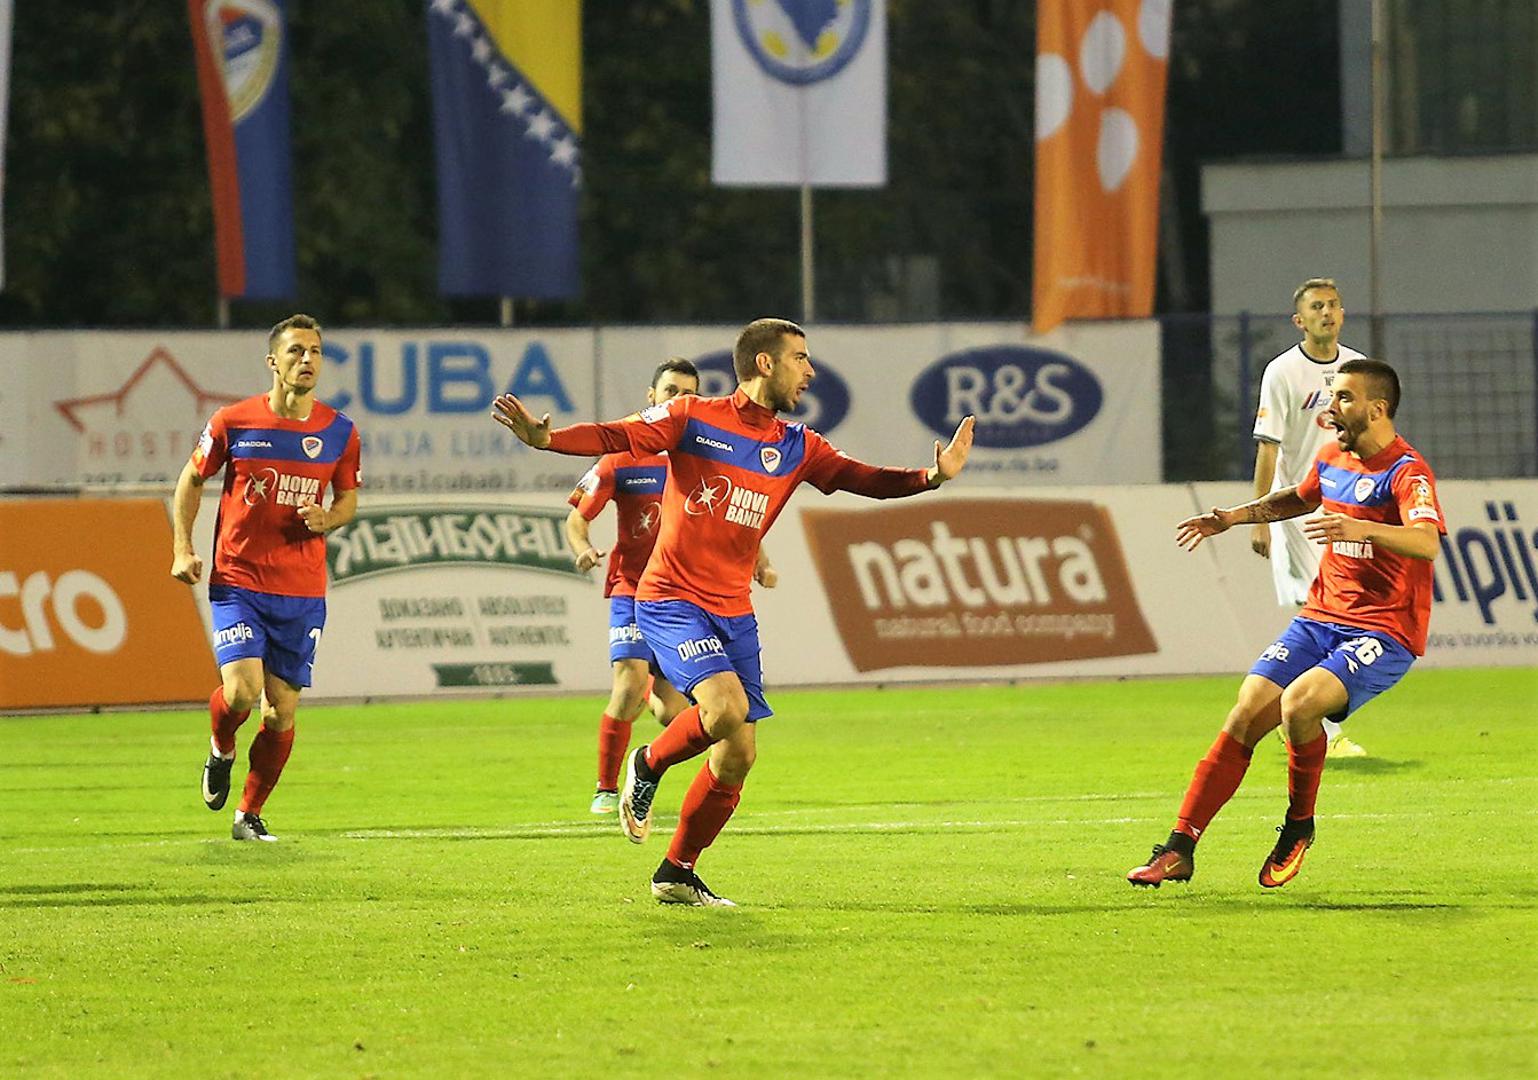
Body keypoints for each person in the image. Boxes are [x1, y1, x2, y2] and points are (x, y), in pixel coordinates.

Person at [494, 317, 975, 906]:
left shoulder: (799, 445)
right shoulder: (692, 417)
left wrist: (930, 477)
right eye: (800, 358)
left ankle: (676, 872)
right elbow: (616, 434)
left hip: (734, 611)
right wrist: (549, 441)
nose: (810, 370)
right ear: (765, 363)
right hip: (671, 598)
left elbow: (863, 479)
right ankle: (647, 764)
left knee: (738, 756)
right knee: (724, 710)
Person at [1129, 359, 1442, 889]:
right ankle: (1179, 848)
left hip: (1383, 630)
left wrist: (1362, 528)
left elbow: (1426, 542)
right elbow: (1297, 498)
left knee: (1299, 704)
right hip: (1320, 617)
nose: (1331, 408)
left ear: (1377, 409)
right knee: (1247, 711)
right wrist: (1233, 517)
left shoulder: (1406, 472)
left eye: (1343, 398)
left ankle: (1299, 826)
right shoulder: (1332, 458)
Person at [171, 314, 361, 842]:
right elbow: (191, 478)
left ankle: (248, 816)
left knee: (281, 712)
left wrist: (329, 517)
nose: (308, 360)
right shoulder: (234, 422)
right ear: (273, 361)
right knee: (242, 692)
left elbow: (347, 499)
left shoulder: (340, 431)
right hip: (239, 581)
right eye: (296, 351)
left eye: (315, 351)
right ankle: (221, 747)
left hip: (301, 590)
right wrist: (183, 546)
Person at [564, 357, 777, 815]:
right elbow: (577, 517)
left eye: (688, 394)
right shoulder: (622, 457)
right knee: (628, 682)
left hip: (689, 600)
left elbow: (734, 517)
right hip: (635, 590)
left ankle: (649, 734)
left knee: (674, 714)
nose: (679, 400)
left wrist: (759, 559)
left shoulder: (706, 456)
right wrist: (582, 547)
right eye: (671, 392)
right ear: (652, 398)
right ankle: (606, 789)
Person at [1250, 277, 1368, 757]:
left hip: (1348, 510)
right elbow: (1268, 449)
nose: (1327, 312)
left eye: (1333, 305)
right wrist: (1261, 517)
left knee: (1343, 617)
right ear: (1299, 320)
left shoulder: (1357, 369)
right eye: (1317, 306)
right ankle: (1317, 729)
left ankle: (1302, 718)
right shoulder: (1282, 372)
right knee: (1320, 615)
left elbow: (1369, 439)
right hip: (1299, 514)